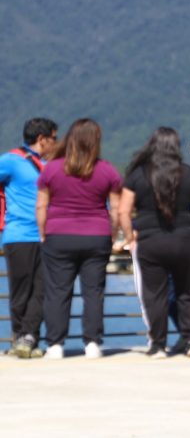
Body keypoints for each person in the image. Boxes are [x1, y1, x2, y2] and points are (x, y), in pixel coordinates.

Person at [118, 127, 190, 358]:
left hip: (150, 243)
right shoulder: (189, 173)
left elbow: (123, 211)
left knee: (155, 294)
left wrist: (130, 236)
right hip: (183, 241)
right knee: (186, 291)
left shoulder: (138, 175)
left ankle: (158, 345)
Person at [36, 118, 121, 359]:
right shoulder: (107, 170)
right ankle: (92, 343)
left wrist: (43, 232)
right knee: (93, 291)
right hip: (97, 236)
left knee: (57, 291)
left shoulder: (51, 168)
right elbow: (115, 210)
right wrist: (112, 234)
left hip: (58, 235)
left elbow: (41, 206)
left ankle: (55, 344)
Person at [0, 117, 57, 358]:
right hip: (18, 234)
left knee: (43, 289)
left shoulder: (51, 164)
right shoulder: (11, 161)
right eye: (54, 138)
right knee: (21, 289)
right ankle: (21, 337)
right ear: (42, 139)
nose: (56, 142)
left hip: (47, 235)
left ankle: (30, 336)